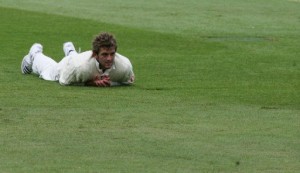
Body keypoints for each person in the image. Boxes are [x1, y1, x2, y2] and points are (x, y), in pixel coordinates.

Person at [21, 32, 135, 87]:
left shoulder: (125, 66)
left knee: (75, 59)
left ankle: (71, 51)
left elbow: (128, 80)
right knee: (49, 71)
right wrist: (90, 83)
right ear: (95, 54)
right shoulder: (79, 67)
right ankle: (34, 54)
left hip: (78, 61)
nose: (109, 58)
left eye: (112, 54)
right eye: (104, 54)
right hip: (67, 67)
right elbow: (64, 81)